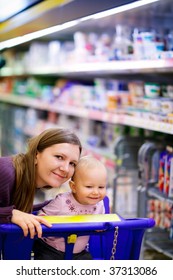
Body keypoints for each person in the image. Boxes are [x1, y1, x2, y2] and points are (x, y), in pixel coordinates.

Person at [0, 127, 82, 242]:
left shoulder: (26, 181)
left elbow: (24, 213)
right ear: (36, 155)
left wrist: (60, 205)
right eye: (59, 157)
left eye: (72, 163)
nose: (65, 169)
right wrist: (11, 214)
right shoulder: (5, 171)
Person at [33, 155, 107, 260]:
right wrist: (44, 219)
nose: (96, 192)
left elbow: (100, 223)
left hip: (78, 252)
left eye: (101, 187)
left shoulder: (99, 205)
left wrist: (100, 227)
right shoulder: (62, 201)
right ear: (73, 187)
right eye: (89, 187)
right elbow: (42, 215)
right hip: (50, 248)